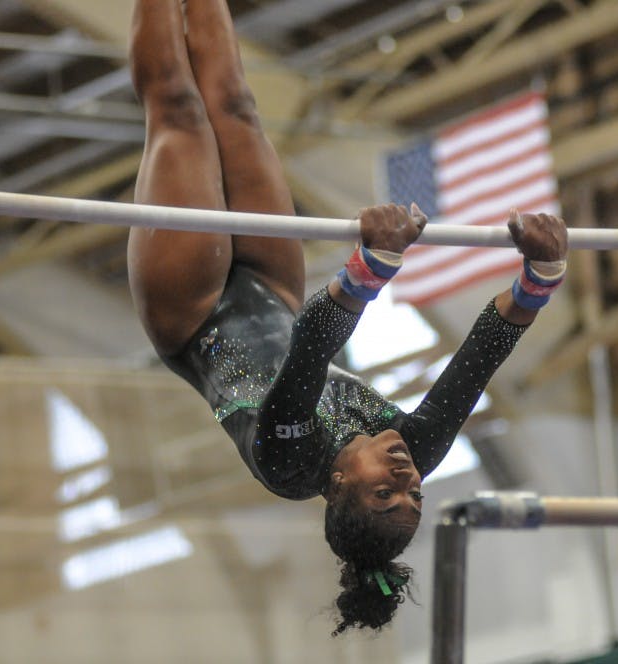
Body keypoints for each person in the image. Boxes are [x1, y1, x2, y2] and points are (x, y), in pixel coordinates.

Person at [126, 0, 569, 636]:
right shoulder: (415, 448)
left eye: (384, 493)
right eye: (414, 495)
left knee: (179, 109)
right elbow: (478, 362)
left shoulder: (290, 465)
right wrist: (539, 278)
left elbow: (307, 354)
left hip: (191, 314)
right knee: (237, 107)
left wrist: (375, 263)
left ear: (336, 486)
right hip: (273, 289)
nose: (406, 479)